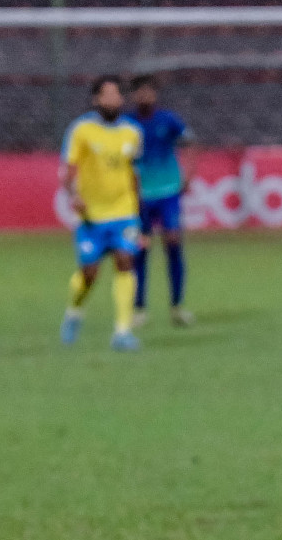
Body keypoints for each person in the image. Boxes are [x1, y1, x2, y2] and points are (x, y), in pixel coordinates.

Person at [59, 76, 144, 352]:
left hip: (124, 211)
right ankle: (74, 311)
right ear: (96, 99)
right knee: (89, 273)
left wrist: (139, 215)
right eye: (106, 95)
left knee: (125, 261)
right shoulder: (82, 130)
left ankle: (122, 331)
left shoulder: (132, 132)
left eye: (116, 94)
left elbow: (134, 173)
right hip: (92, 215)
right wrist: (74, 195)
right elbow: (69, 169)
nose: (112, 99)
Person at [126, 75, 194, 328]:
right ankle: (139, 308)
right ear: (134, 96)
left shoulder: (169, 120)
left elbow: (190, 143)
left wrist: (188, 173)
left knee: (173, 241)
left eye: (149, 92)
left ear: (155, 94)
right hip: (140, 195)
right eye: (140, 92)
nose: (145, 96)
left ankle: (177, 306)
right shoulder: (127, 124)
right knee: (140, 249)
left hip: (168, 193)